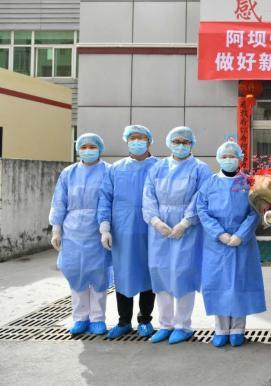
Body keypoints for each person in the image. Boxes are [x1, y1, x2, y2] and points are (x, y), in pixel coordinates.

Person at [142, 126, 211, 345]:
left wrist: (186, 222)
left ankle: (183, 325)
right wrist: (155, 220)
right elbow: (148, 196)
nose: (180, 145)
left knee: (183, 274)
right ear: (169, 142)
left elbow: (201, 197)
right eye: (176, 141)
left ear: (192, 144)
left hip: (188, 229)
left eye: (185, 142)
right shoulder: (157, 167)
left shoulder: (200, 169)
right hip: (159, 229)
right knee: (161, 273)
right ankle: (165, 324)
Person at [197, 141, 265, 348]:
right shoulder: (209, 183)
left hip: (242, 243)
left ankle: (237, 329)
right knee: (218, 284)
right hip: (216, 244)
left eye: (232, 156)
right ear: (218, 158)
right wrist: (219, 234)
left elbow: (255, 211)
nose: (228, 159)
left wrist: (241, 235)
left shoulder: (248, 183)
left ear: (240, 158)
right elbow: (202, 210)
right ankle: (220, 328)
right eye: (224, 156)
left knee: (239, 283)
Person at [97, 125, 159, 339]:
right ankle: (124, 321)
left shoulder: (159, 167)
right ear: (126, 141)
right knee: (123, 274)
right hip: (122, 230)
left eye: (141, 138)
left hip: (152, 230)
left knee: (149, 274)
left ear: (149, 141)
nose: (137, 142)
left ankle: (145, 320)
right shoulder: (116, 169)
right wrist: (105, 227)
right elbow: (105, 198)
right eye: (132, 138)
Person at [49, 133, 111, 336]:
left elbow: (108, 201)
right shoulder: (69, 172)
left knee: (98, 274)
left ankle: (98, 318)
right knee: (76, 274)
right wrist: (56, 229)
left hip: (97, 229)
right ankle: (80, 317)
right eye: (84, 147)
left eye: (92, 146)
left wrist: (105, 229)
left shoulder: (108, 171)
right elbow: (59, 201)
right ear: (78, 149)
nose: (88, 150)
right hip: (72, 230)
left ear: (100, 149)